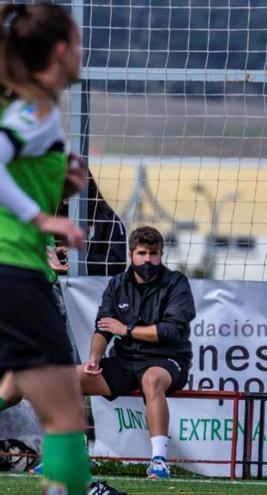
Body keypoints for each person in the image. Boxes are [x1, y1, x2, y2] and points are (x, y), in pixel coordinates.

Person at [0, 3, 123, 494]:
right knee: (64, 409)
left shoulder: (25, 102)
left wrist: (62, 188)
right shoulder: (35, 110)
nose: (83, 51)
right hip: (14, 267)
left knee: (56, 402)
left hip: (18, 266)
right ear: (59, 51)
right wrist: (43, 219)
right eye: (77, 40)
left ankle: (70, 488)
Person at [78, 226, 195, 480]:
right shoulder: (117, 283)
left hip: (167, 360)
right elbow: (103, 328)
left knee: (151, 380)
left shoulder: (177, 283)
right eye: (142, 253)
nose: (148, 260)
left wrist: (127, 330)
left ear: (161, 254)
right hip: (125, 361)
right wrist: (94, 358)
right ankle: (69, 454)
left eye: (154, 253)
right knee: (69, 380)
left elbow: (171, 331)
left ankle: (159, 461)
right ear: (132, 254)